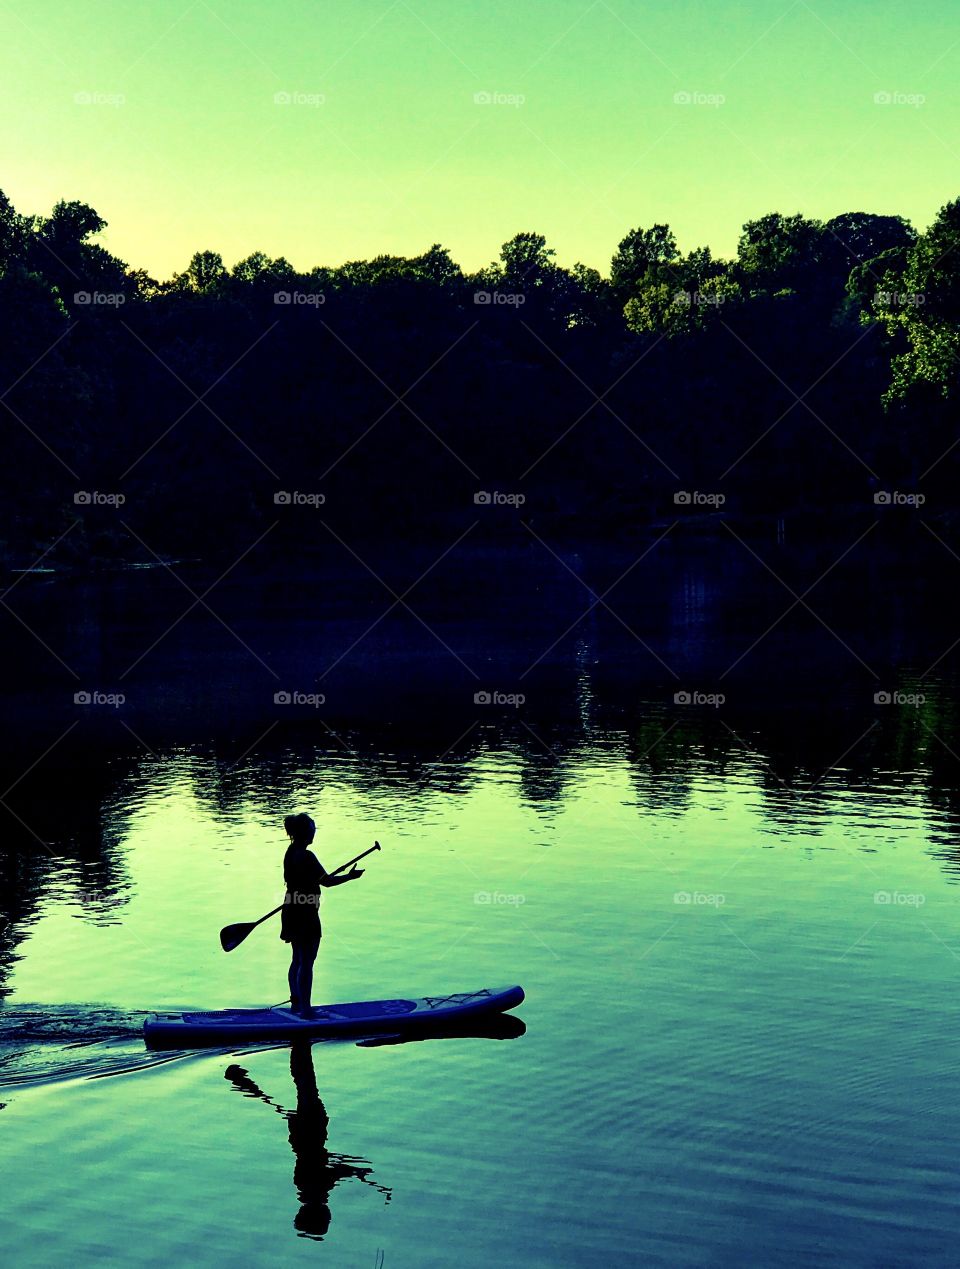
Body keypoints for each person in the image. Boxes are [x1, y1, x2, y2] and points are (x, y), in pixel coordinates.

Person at [281, 813, 363, 1017]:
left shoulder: (290, 852)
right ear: (305, 832)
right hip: (306, 913)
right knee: (307, 961)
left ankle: (296, 1002)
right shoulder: (307, 856)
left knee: (298, 958)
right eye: (312, 829)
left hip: (291, 908)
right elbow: (326, 881)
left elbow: (313, 879)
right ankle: (306, 1011)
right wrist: (349, 877)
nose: (314, 832)